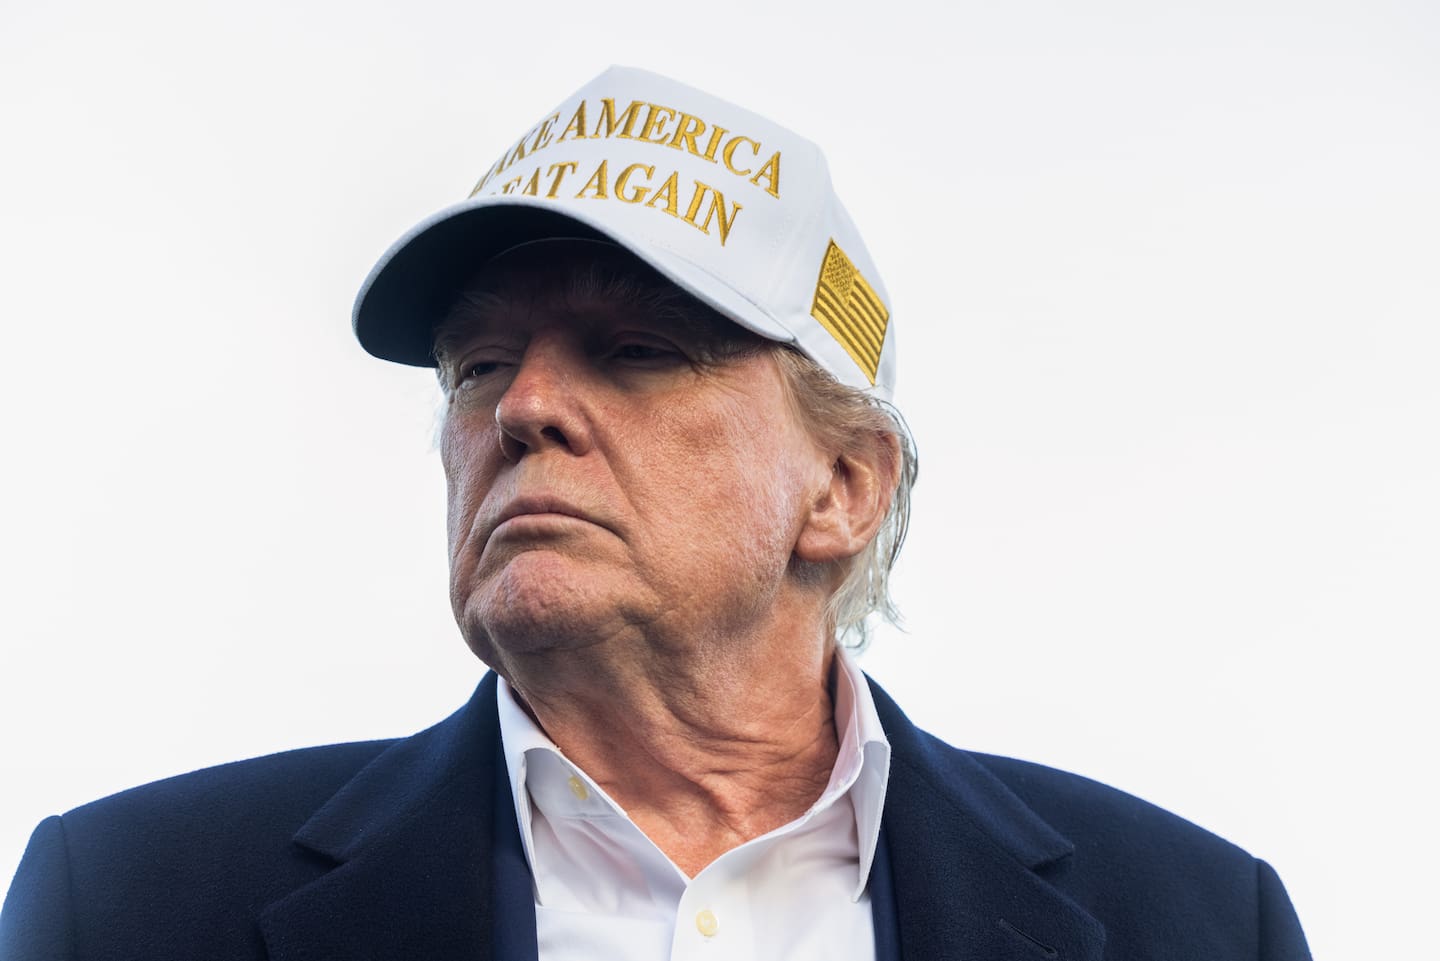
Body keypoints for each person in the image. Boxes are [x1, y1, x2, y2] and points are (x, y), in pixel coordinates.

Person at [0, 66, 1310, 961]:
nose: (522, 409)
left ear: (844, 486)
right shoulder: (122, 906)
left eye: (633, 349)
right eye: (478, 365)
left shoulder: (1190, 920)